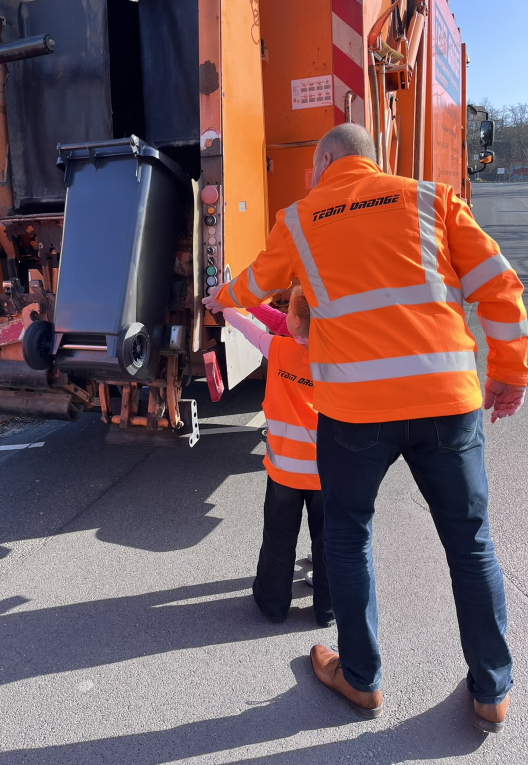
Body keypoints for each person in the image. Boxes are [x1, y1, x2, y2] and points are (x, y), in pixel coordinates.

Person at [203, 123, 528, 731]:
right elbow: (501, 286)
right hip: (445, 401)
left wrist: (220, 297)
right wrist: (509, 371)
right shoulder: (432, 199)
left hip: (354, 411)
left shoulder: (301, 218)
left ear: (327, 161)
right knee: (470, 543)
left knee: (348, 536)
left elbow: (255, 283)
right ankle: (492, 689)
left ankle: (360, 679)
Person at [212, 289, 334, 628]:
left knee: (278, 538)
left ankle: (273, 603)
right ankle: (328, 608)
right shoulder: (343, 360)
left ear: (293, 323)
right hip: (329, 472)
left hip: (284, 471)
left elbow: (250, 330)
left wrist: (226, 306)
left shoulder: (278, 349)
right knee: (331, 541)